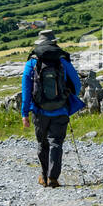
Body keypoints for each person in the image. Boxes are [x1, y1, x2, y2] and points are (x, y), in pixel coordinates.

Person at [21, 29, 86, 187]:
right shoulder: (62, 60)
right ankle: (53, 177)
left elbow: (26, 90)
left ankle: (44, 176)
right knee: (56, 142)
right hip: (61, 109)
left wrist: (25, 114)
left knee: (42, 143)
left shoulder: (32, 62)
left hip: (39, 110)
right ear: (54, 42)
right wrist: (67, 97)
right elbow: (77, 84)